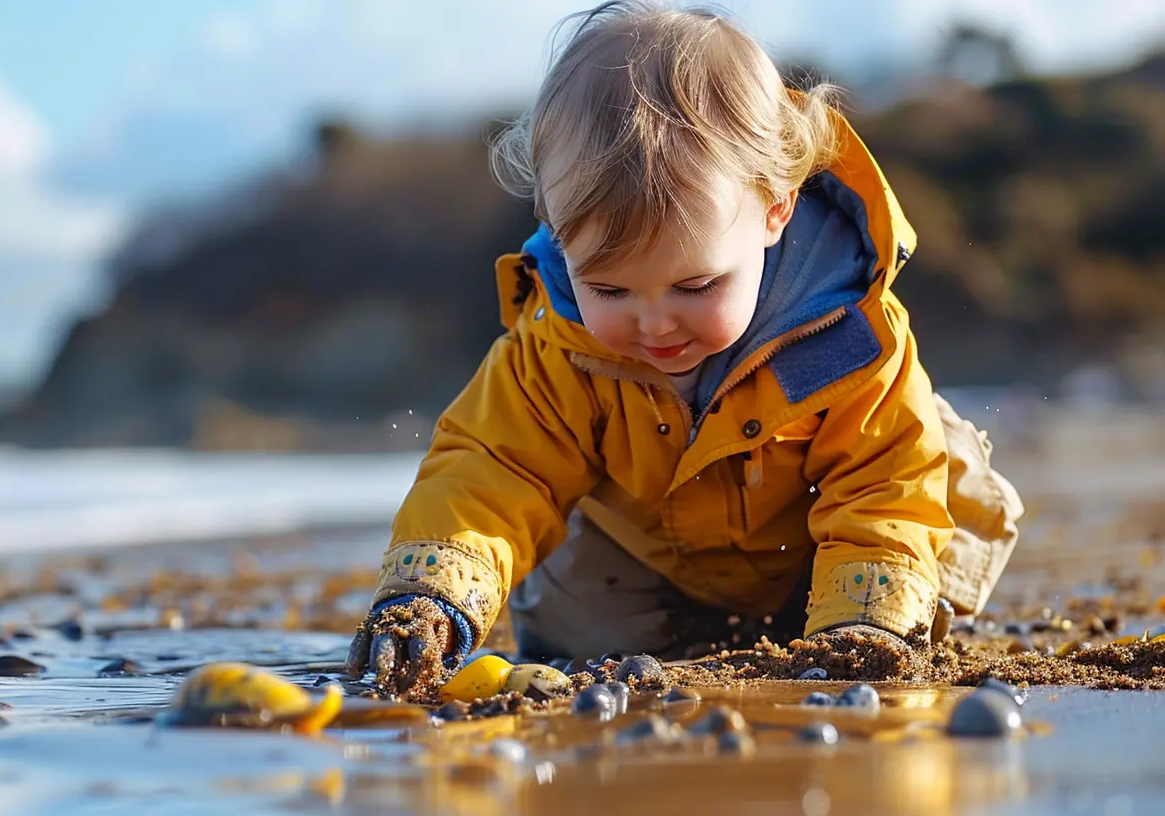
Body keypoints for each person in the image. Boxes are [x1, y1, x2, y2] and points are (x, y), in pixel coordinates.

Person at [346, 1, 1023, 692]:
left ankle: (866, 615)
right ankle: (679, 628)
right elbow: (493, 470)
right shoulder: (556, 347)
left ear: (776, 207)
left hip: (816, 556)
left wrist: (867, 628)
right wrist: (429, 595)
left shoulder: (850, 340)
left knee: (939, 463)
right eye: (609, 291)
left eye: (694, 284)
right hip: (651, 559)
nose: (655, 324)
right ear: (555, 229)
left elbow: (885, 489)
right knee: (565, 620)